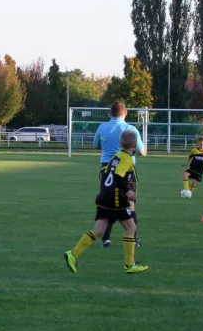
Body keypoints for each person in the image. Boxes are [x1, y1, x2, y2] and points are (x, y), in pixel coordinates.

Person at [64, 130, 149, 274]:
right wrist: (126, 191)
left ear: (121, 143)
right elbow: (117, 176)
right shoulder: (127, 159)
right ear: (134, 144)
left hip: (104, 196)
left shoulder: (116, 156)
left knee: (99, 230)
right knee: (131, 228)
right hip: (115, 198)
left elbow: (106, 173)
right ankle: (129, 264)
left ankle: (73, 254)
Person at [92, 101, 146, 248]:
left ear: (110, 113)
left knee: (108, 201)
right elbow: (141, 151)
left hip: (106, 169)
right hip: (126, 170)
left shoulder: (102, 127)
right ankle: (133, 239)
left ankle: (106, 239)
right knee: (130, 204)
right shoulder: (130, 129)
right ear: (126, 113)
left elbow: (95, 144)